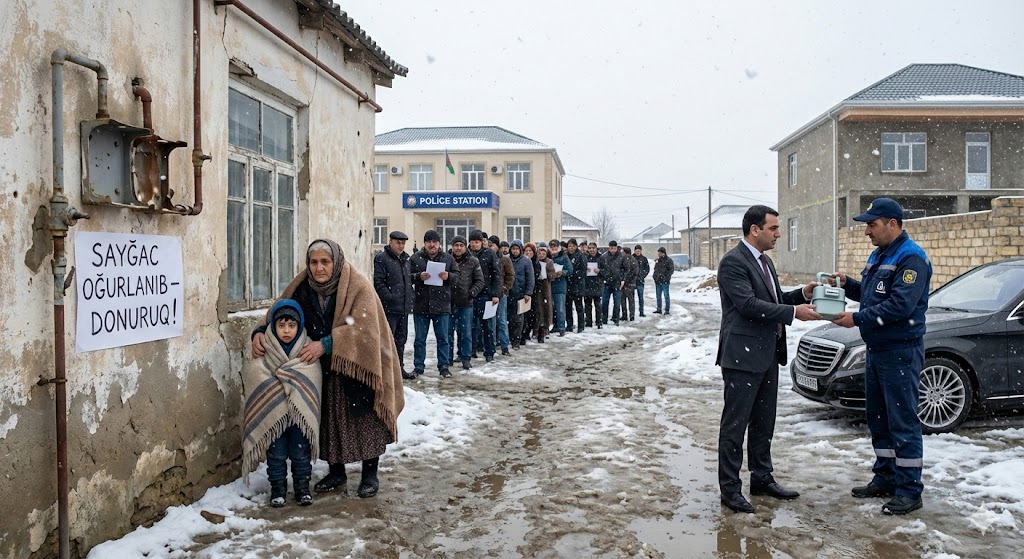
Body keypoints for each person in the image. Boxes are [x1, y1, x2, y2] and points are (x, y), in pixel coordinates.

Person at [251, 239, 404, 500]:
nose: (319, 268)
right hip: (321, 369)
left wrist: (328, 343)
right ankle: (337, 472)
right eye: (314, 262)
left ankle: (370, 475)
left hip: (357, 367)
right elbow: (279, 311)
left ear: (336, 262)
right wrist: (259, 331)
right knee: (329, 422)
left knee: (365, 420)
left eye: (325, 261)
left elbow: (366, 328)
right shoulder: (302, 286)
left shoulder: (358, 286)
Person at [829, 197, 932, 516]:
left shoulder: (911, 257)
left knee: (902, 420)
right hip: (877, 349)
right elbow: (872, 294)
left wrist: (856, 319)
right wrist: (847, 285)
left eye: (872, 225)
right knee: (879, 419)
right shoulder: (880, 253)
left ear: (893, 224)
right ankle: (885, 478)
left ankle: (909, 490)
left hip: (900, 350)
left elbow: (900, 305)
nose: (867, 232)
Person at [716, 205, 820, 514]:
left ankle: (762, 478)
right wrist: (793, 313)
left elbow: (772, 300)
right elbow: (748, 305)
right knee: (735, 426)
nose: (778, 234)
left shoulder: (764, 261)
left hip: (767, 355)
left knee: (764, 423)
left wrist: (802, 294)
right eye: (773, 228)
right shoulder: (733, 262)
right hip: (742, 357)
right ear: (754, 230)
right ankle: (730, 489)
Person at [243, 300, 322, 507]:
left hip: (299, 415)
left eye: (291, 325)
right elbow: (256, 375)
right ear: (273, 326)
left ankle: (302, 487)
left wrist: (293, 390)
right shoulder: (264, 350)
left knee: (301, 452)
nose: (286, 330)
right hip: (274, 415)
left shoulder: (306, 351)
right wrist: (278, 390)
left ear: (299, 325)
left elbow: (312, 379)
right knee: (276, 454)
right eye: (281, 325)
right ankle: (277, 488)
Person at [409, 230, 456, 378]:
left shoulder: (448, 259)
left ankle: (444, 367)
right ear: (424, 243)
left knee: (443, 339)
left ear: (439, 243)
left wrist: (449, 276)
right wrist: (418, 276)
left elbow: (458, 278)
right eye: (429, 242)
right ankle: (418, 367)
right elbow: (406, 277)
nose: (432, 245)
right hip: (421, 305)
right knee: (419, 340)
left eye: (435, 242)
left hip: (441, 305)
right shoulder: (415, 258)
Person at [372, 230, 413, 379]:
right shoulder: (382, 258)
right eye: (398, 243)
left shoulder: (405, 259)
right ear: (390, 242)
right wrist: (390, 297)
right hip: (389, 308)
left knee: (401, 341)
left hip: (403, 308)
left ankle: (398, 369)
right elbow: (378, 282)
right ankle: (385, 371)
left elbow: (407, 280)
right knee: (387, 341)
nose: (401, 246)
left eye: (403, 243)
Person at [448, 235, 484, 370]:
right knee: (447, 333)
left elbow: (480, 281)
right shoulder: (446, 260)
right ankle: (447, 358)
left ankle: (466, 358)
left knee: (466, 332)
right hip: (448, 303)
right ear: (452, 247)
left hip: (466, 303)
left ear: (465, 246)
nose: (458, 248)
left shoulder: (473, 261)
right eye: (456, 245)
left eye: (461, 245)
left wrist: (472, 293)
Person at [470, 230, 502, 363]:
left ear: (482, 242)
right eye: (472, 242)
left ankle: (489, 352)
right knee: (470, 326)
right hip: (470, 295)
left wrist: (495, 294)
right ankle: (470, 351)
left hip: (487, 295)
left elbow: (496, 275)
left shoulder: (489, 254)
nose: (474, 244)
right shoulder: (467, 255)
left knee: (488, 325)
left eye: (477, 242)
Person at [507, 240, 535, 350]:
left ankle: (517, 341)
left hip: (520, 294)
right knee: (509, 319)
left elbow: (530, 278)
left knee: (518, 320)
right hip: (508, 293)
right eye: (513, 249)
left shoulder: (526, 261)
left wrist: (528, 292)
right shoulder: (507, 259)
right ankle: (510, 338)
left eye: (517, 249)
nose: (515, 251)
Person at [491, 235, 515, 355]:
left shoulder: (505, 260)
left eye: (492, 245)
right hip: (489, 294)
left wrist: (505, 288)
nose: (490, 247)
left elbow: (510, 275)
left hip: (501, 294)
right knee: (491, 321)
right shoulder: (486, 258)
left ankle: (504, 345)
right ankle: (491, 344)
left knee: (501, 320)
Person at [598, 240, 628, 326]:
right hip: (606, 282)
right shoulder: (604, 257)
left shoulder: (621, 257)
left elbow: (625, 269)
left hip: (617, 282)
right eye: (611, 248)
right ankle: (604, 319)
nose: (613, 250)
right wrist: (603, 276)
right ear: (609, 248)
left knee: (617, 302)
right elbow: (600, 268)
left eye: (614, 248)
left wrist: (623, 279)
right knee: (605, 302)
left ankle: (616, 319)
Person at [547, 239, 573, 336]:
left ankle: (561, 327)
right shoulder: (547, 257)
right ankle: (555, 325)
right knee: (552, 308)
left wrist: (562, 273)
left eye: (555, 246)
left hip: (560, 286)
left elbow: (570, 270)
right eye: (552, 246)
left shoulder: (564, 257)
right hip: (549, 286)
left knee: (560, 308)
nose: (553, 248)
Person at [532, 245, 557, 343]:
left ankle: (544, 330)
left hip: (545, 287)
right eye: (539, 253)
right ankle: (536, 330)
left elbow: (553, 275)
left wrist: (546, 273)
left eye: (543, 253)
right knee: (537, 310)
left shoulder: (549, 262)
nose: (541, 255)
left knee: (545, 309)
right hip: (536, 286)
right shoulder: (534, 261)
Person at [564, 238, 588, 333]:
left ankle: (581, 326)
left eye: (573, 246)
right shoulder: (565, 256)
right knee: (568, 307)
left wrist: (573, 274)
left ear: (576, 246)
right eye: (569, 246)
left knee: (579, 306)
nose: (571, 248)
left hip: (578, 284)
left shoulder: (581, 256)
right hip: (567, 285)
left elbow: (583, 270)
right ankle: (569, 325)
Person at [583, 242, 603, 329]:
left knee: (598, 305)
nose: (591, 250)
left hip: (597, 284)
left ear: (596, 249)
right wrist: (585, 270)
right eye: (590, 248)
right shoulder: (584, 258)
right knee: (587, 305)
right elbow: (580, 269)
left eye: (593, 248)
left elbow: (607, 271)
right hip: (587, 284)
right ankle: (588, 322)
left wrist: (600, 271)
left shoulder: (601, 258)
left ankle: (599, 322)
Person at [619, 245, 639, 321]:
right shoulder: (630, 259)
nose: (621, 253)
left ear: (626, 253)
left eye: (622, 252)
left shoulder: (629, 260)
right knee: (626, 300)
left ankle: (629, 315)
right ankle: (628, 315)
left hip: (628, 283)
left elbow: (631, 272)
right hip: (627, 283)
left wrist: (624, 279)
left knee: (629, 300)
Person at [652, 247, 674, 315]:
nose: (659, 254)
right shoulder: (658, 261)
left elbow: (671, 270)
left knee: (666, 296)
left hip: (665, 282)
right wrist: (655, 277)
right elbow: (655, 269)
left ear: (663, 253)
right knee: (658, 296)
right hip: (658, 281)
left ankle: (667, 310)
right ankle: (659, 309)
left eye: (660, 253)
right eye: (658, 253)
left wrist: (666, 277)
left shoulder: (668, 260)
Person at [633, 245, 651, 318]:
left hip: (640, 281)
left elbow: (647, 269)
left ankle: (641, 312)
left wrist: (642, 276)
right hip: (632, 281)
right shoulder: (632, 258)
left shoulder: (644, 259)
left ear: (641, 251)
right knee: (631, 298)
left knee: (640, 297)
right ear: (634, 251)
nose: (638, 252)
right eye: (636, 251)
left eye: (639, 251)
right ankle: (632, 312)